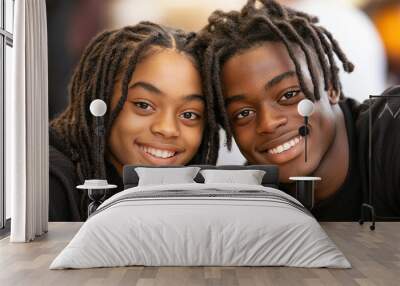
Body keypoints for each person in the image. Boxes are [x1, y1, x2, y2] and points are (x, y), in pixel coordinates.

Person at [194, 0, 400, 220]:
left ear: (330, 86)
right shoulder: (252, 201)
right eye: (243, 113)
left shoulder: (391, 131)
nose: (268, 123)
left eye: (289, 95)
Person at [50, 22, 220, 222]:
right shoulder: (48, 182)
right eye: (143, 105)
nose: (167, 129)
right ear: (102, 98)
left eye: (189, 115)